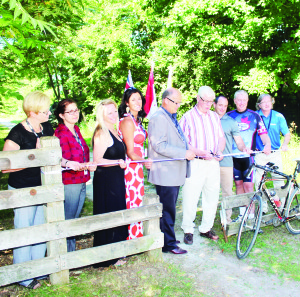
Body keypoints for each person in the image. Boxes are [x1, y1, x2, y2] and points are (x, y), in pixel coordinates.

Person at [2, 91, 54, 289]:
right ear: (32, 112)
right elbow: (5, 166)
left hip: (44, 186)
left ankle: (37, 270)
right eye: (44, 111)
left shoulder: (47, 127)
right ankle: (23, 275)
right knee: (24, 231)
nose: (48, 113)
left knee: (41, 229)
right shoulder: (17, 133)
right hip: (22, 189)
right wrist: (35, 155)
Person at [148, 87, 195, 254]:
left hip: (173, 172)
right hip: (165, 173)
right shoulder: (159, 118)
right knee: (167, 210)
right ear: (166, 100)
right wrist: (184, 153)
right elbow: (159, 145)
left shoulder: (170, 116)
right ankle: (168, 245)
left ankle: (168, 238)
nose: (178, 106)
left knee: (170, 208)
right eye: (176, 102)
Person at [180, 86, 225, 244]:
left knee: (212, 196)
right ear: (198, 98)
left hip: (213, 163)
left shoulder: (214, 117)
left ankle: (206, 227)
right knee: (191, 196)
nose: (209, 105)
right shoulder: (187, 117)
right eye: (206, 101)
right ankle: (188, 229)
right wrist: (200, 152)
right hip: (195, 163)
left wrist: (219, 150)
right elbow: (184, 143)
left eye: (211, 102)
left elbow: (221, 138)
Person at [54, 99, 96, 252]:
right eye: (69, 111)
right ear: (61, 115)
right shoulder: (60, 133)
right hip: (70, 181)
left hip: (82, 179)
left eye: (76, 110)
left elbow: (81, 155)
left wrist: (88, 164)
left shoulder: (76, 129)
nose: (74, 113)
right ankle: (64, 254)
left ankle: (70, 253)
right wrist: (73, 164)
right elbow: (62, 158)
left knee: (74, 217)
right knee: (68, 219)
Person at [92, 99, 128, 267]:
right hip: (106, 181)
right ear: (102, 115)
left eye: (115, 111)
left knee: (118, 211)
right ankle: (107, 257)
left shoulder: (114, 130)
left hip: (116, 178)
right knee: (109, 214)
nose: (114, 115)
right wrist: (117, 162)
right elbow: (97, 160)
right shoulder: (101, 132)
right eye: (109, 113)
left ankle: (117, 251)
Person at [227, 90, 271, 222]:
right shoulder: (228, 116)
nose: (241, 102)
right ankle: (242, 214)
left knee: (248, 186)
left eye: (244, 100)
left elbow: (263, 134)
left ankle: (251, 216)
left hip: (249, 158)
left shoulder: (255, 116)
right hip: (233, 158)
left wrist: (267, 145)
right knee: (238, 184)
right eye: (238, 100)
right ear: (234, 101)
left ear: (247, 101)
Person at [118, 88, 152, 240]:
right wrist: (144, 161)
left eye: (139, 99)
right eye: (133, 100)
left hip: (137, 166)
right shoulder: (127, 121)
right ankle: (130, 237)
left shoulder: (137, 120)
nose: (138, 102)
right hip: (130, 167)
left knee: (138, 200)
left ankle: (137, 234)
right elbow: (130, 151)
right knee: (131, 199)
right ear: (126, 103)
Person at [213, 95, 250, 223]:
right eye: (220, 105)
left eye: (225, 106)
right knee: (210, 192)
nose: (222, 108)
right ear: (214, 105)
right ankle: (209, 220)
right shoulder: (208, 119)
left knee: (227, 193)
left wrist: (243, 148)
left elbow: (238, 141)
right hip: (209, 163)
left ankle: (227, 220)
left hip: (226, 163)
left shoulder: (231, 122)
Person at [254, 94, 290, 190]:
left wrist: (285, 144)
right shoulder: (254, 116)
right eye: (264, 102)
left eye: (269, 101)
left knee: (279, 180)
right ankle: (263, 205)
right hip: (259, 154)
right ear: (259, 105)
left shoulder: (278, 116)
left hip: (275, 153)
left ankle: (280, 204)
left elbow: (287, 134)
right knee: (259, 182)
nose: (267, 104)